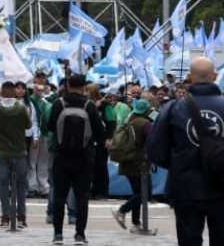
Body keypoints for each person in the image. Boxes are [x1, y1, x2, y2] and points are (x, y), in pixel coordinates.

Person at [148, 57, 224, 246]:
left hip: (186, 189)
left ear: (190, 77)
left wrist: (179, 164)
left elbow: (155, 149)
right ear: (215, 76)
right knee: (223, 240)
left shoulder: (174, 108)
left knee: (188, 241)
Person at [48, 74, 105, 245]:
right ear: (83, 87)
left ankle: (58, 234)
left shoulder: (58, 103)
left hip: (61, 156)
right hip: (83, 157)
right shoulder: (89, 106)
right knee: (82, 197)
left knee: (59, 196)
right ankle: (80, 234)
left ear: (67, 85)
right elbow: (99, 132)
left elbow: (50, 126)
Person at [0, 81, 32, 229]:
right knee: (21, 185)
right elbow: (28, 125)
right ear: (14, 92)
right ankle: (21, 216)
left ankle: (5, 216)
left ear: (2, 92)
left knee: (3, 184)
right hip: (19, 150)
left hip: (3, 151)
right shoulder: (21, 108)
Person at [110, 98, 153, 233]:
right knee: (146, 193)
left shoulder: (129, 120)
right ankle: (121, 210)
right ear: (146, 110)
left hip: (127, 161)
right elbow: (152, 140)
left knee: (137, 193)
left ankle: (136, 224)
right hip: (139, 162)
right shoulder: (145, 123)